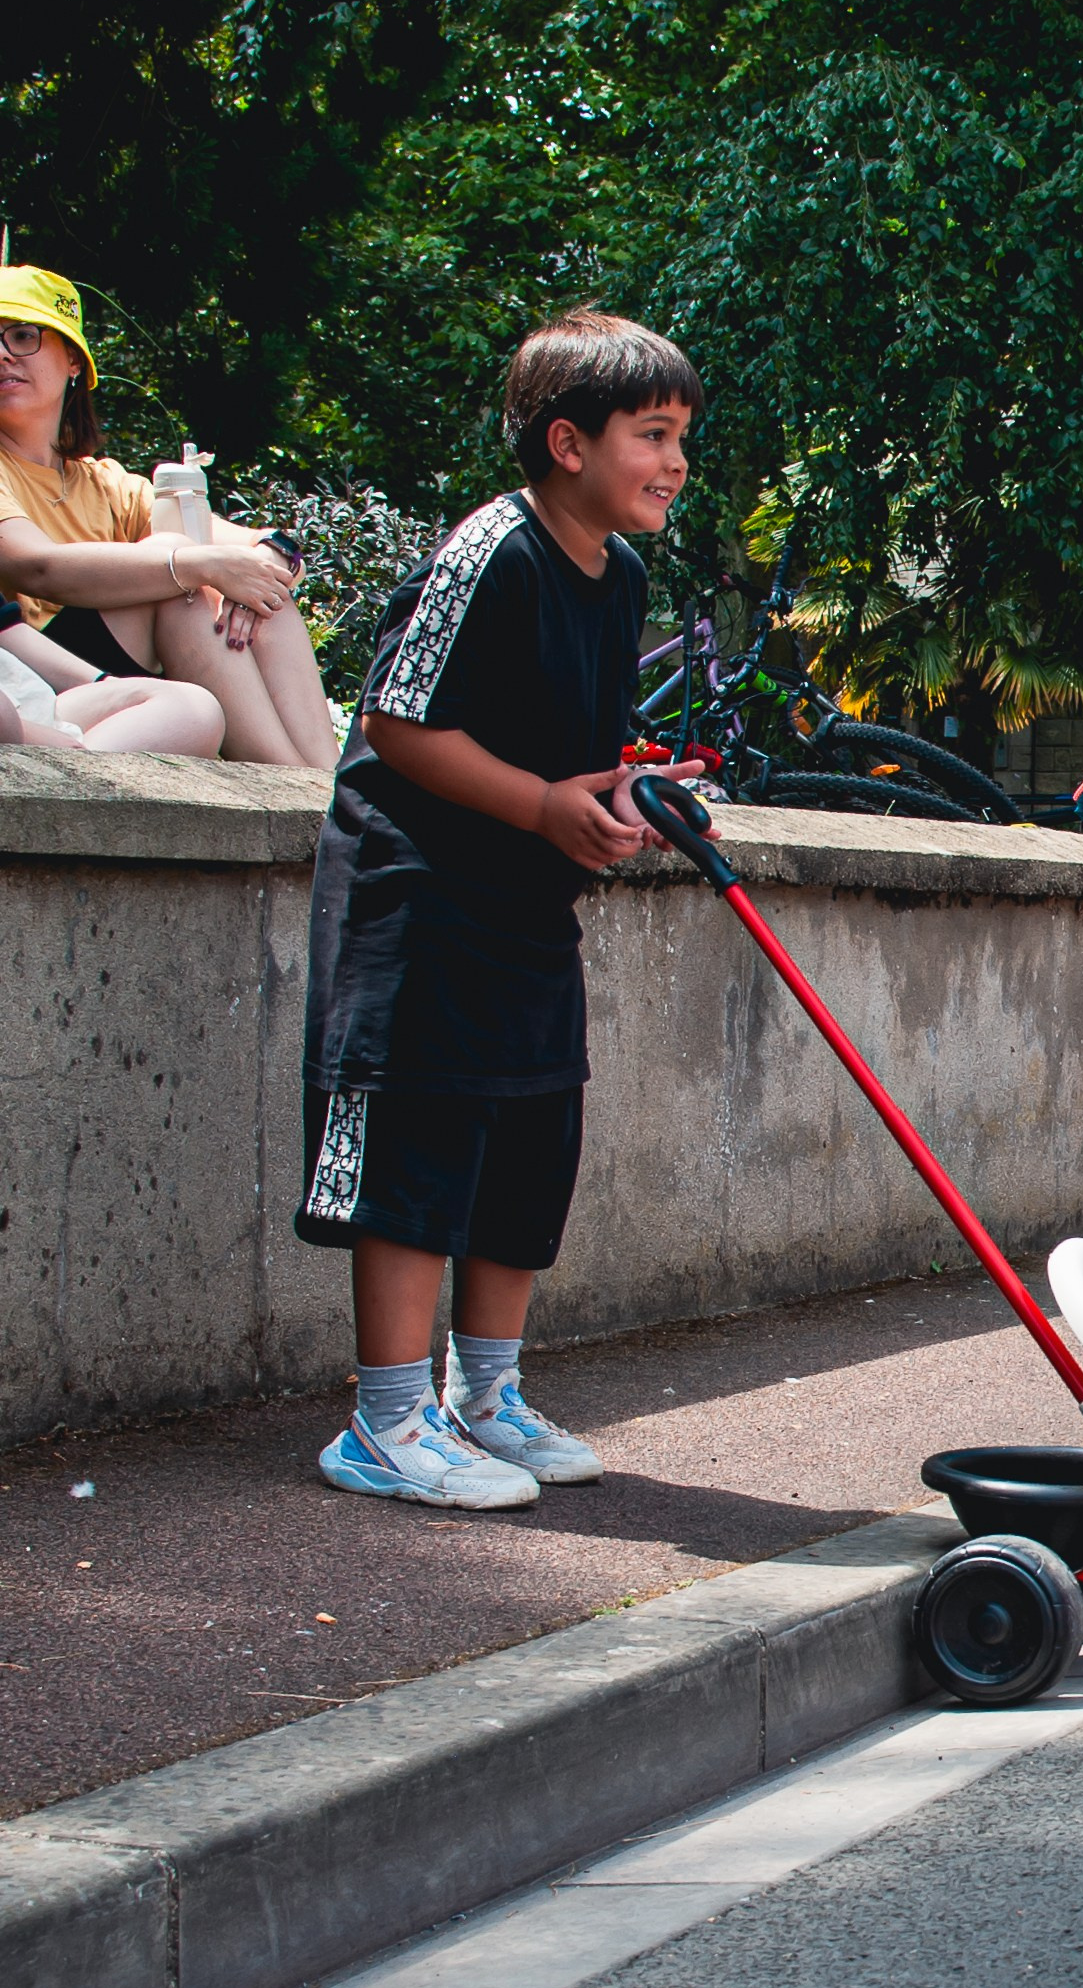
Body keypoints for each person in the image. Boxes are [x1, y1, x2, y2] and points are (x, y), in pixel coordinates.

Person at [300, 308, 699, 1507]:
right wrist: (538, 806)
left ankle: (489, 1393)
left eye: (683, 435)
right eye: (656, 433)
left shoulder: (619, 573)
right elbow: (394, 720)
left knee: (529, 1134)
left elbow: (566, 750)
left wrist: (625, 797)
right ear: (568, 442)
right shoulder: (490, 551)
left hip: (524, 902)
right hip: (416, 893)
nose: (678, 461)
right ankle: (384, 1417)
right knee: (423, 1137)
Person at [0, 263, 338, 766]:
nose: (2, 354)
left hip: (115, 673)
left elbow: (240, 546)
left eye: (23, 336)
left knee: (259, 588)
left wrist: (273, 552)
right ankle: (296, 784)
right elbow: (35, 566)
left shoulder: (104, 481)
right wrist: (198, 566)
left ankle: (330, 776)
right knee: (175, 565)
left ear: (74, 360)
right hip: (42, 679)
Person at [0, 612, 224, 756]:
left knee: (196, 709)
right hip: (14, 724)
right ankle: (78, 777)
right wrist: (27, 735)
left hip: (26, 698)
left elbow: (6, 626)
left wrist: (105, 683)